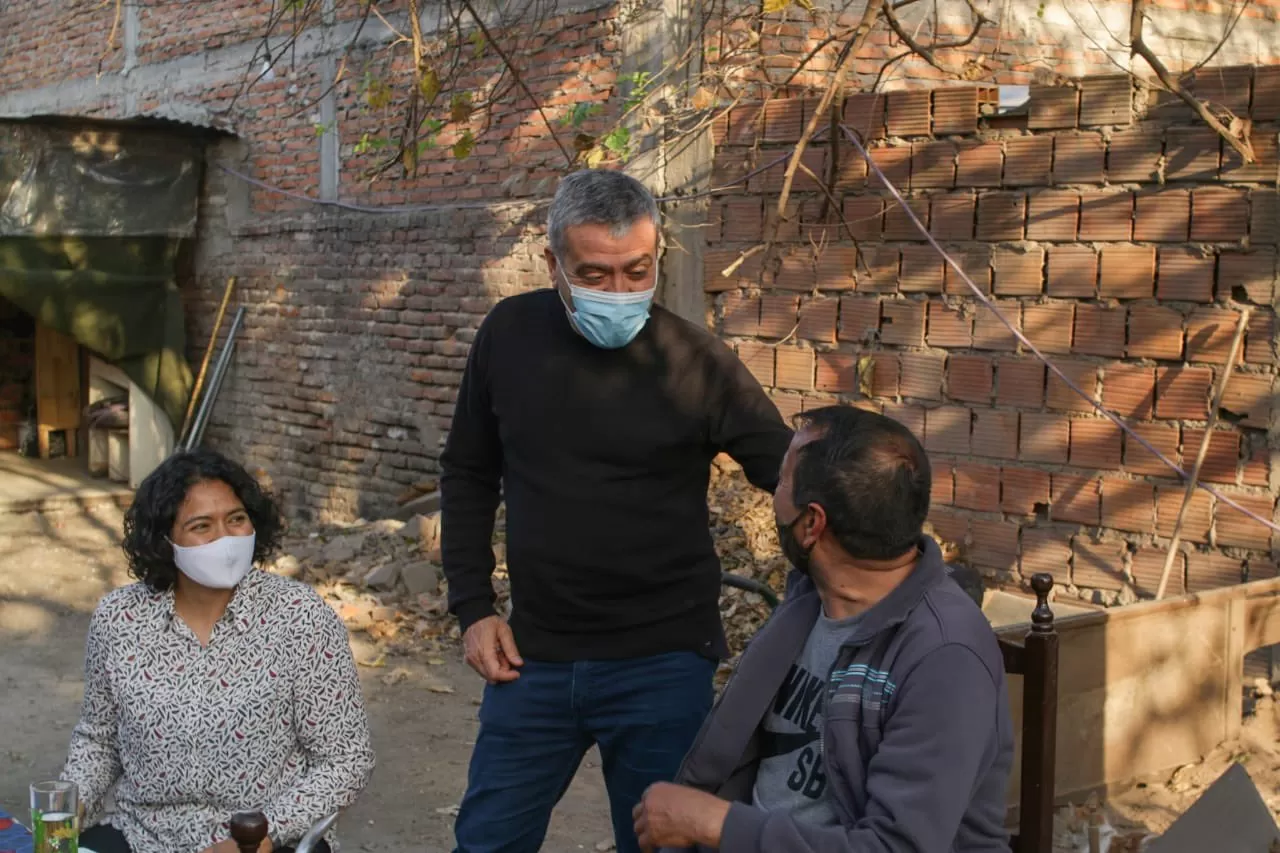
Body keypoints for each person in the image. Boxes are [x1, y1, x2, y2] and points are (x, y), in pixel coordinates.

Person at [441, 168, 793, 853]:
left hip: (662, 664)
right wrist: (473, 605)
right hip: (534, 657)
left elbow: (788, 471)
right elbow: (468, 471)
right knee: (486, 842)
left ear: (657, 256)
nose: (619, 291)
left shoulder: (695, 362)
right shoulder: (509, 337)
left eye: (636, 271)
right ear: (554, 265)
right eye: (594, 275)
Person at [632, 405, 1015, 853]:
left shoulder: (945, 658)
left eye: (782, 483)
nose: (774, 499)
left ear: (811, 524)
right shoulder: (811, 601)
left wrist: (716, 823)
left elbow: (895, 848)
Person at [61, 448, 375, 853]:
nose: (225, 539)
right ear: (163, 541)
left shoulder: (300, 617)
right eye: (201, 526)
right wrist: (70, 807)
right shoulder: (119, 619)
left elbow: (346, 760)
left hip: (262, 839)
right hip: (143, 835)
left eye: (236, 519)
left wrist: (264, 834)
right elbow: (99, 739)